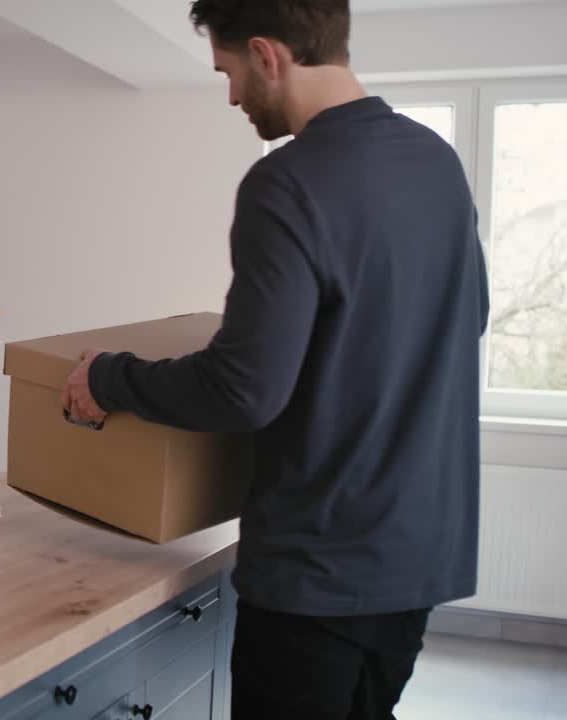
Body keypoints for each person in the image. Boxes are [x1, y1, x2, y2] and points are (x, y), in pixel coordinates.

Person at [61, 1, 489, 718]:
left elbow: (243, 389)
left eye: (228, 71)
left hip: (317, 572)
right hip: (418, 564)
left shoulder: (287, 181)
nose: (231, 95)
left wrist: (108, 377)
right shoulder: (436, 163)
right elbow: (465, 321)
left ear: (267, 54)